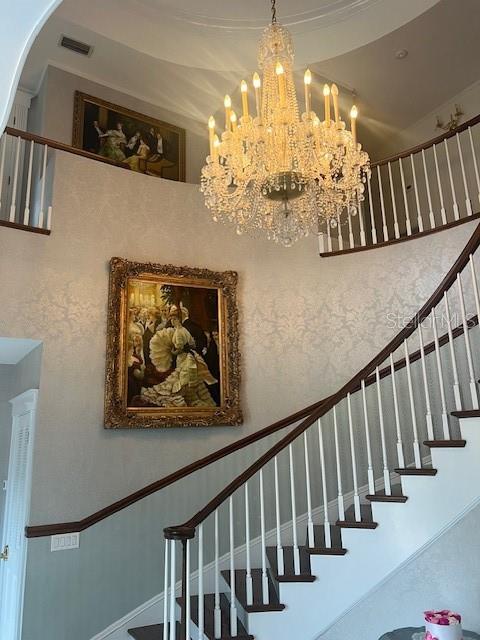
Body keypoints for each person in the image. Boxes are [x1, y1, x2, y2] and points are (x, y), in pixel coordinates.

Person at [141, 308, 217, 407]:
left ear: (177, 320)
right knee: (188, 378)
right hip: (190, 356)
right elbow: (192, 344)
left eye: (173, 319)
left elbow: (179, 349)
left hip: (183, 357)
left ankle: (189, 397)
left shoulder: (178, 332)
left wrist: (172, 351)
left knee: (183, 378)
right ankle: (192, 397)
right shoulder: (184, 330)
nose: (172, 321)